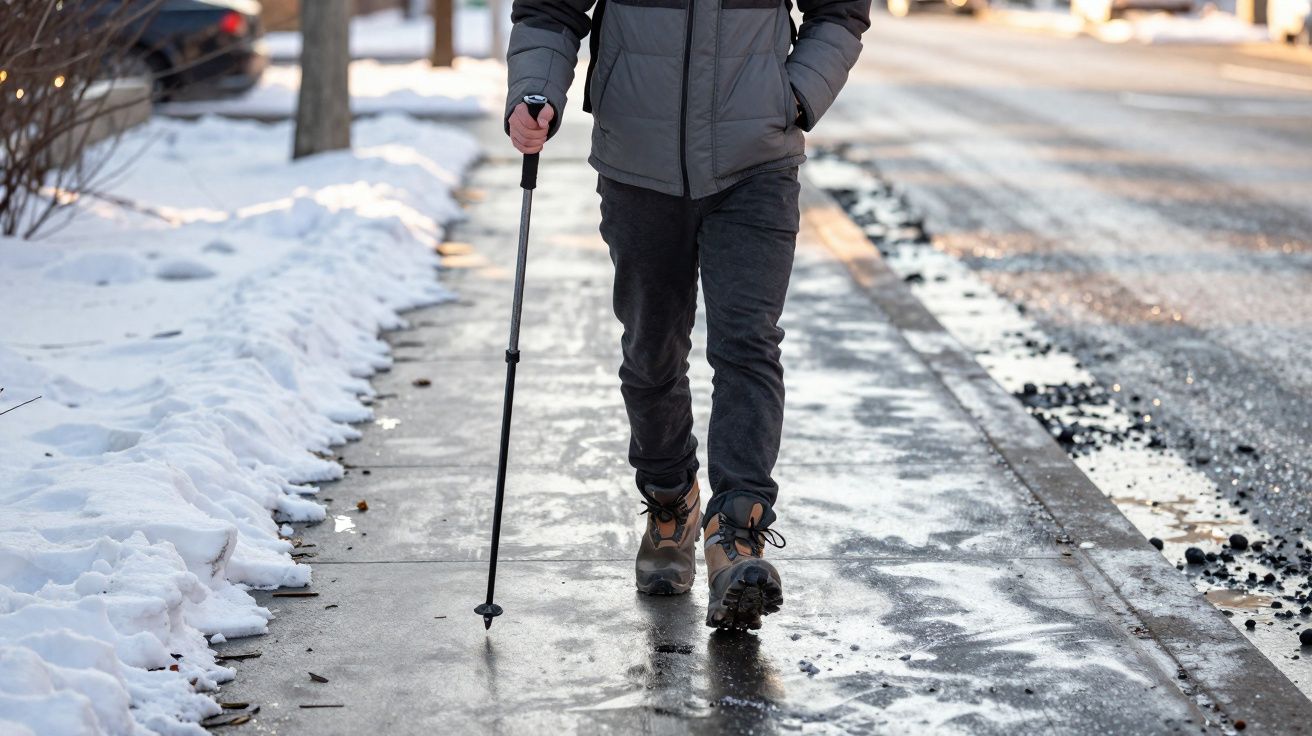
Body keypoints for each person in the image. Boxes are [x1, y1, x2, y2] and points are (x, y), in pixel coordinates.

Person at [505, 0, 870, 629]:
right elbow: (547, 10)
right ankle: (671, 501)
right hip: (637, 163)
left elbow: (840, 11)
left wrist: (797, 96)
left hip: (756, 161)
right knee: (652, 349)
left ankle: (738, 531)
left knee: (748, 343)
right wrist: (536, 90)